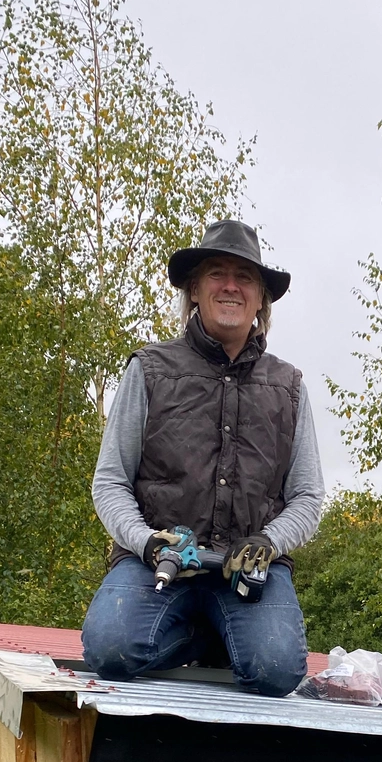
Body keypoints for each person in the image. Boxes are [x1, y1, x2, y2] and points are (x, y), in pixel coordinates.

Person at [81, 220, 324, 694]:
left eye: (245, 277)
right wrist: (147, 542)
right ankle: (208, 638)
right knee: (110, 650)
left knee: (277, 670)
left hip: (250, 570)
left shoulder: (289, 386)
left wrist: (268, 543)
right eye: (217, 273)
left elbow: (309, 496)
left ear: (260, 299)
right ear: (194, 289)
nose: (230, 286)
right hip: (156, 564)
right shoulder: (149, 369)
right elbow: (110, 481)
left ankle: (226, 633)